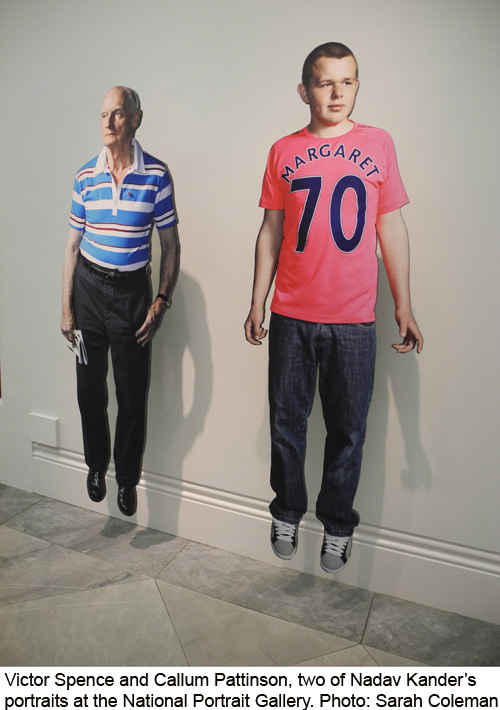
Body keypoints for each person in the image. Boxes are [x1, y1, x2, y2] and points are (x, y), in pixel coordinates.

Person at [244, 42, 423, 572]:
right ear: (305, 91)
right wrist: (257, 300)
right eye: (326, 83)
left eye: (348, 81)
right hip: (292, 314)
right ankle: (287, 512)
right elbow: (271, 230)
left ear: (357, 86)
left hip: (354, 319)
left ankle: (338, 525)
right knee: (286, 423)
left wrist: (404, 304)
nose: (338, 92)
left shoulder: (378, 143)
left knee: (349, 430)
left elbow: (391, 226)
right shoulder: (283, 151)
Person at [61, 86, 180, 517]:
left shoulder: (157, 175)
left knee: (131, 395)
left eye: (117, 114)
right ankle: (97, 466)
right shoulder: (85, 176)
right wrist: (66, 309)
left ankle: (126, 479)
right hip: (88, 292)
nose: (109, 123)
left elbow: (170, 244)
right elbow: (72, 247)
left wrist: (161, 301)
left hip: (132, 295)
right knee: (89, 391)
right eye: (103, 115)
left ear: (136, 118)